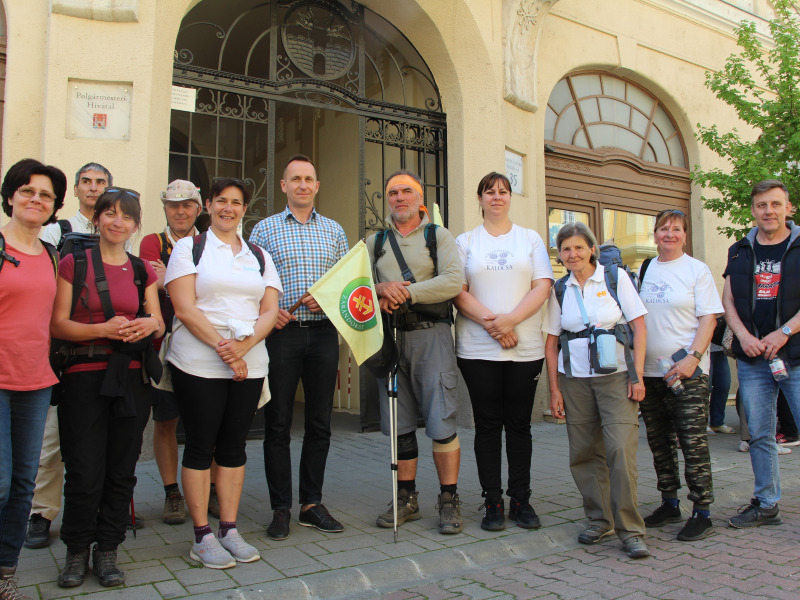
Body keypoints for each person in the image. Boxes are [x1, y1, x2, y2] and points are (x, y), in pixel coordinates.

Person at [166, 177, 281, 569]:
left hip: (250, 361)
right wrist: (226, 350)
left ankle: (229, 529)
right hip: (199, 361)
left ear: (244, 209)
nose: (228, 208)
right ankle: (202, 536)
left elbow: (269, 311)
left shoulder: (259, 255)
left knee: (234, 446)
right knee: (201, 445)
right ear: (208, 206)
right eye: (221, 201)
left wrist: (244, 349)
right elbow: (184, 308)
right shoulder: (189, 248)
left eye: (236, 203)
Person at [51, 188, 164, 588]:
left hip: (132, 380)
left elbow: (157, 321)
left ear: (136, 225)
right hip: (83, 379)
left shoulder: (141, 270)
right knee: (83, 470)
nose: (118, 221)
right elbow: (58, 324)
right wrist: (101, 329)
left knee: (121, 469)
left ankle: (109, 551)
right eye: (110, 213)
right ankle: (76, 551)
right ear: (97, 218)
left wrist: (152, 324)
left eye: (127, 217)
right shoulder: (72, 263)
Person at [250, 155, 348, 541]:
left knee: (319, 423)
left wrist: (326, 300)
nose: (303, 185)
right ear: (284, 186)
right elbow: (251, 281)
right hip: (281, 335)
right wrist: (269, 314)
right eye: (296, 179)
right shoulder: (264, 230)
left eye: (309, 178)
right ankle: (280, 508)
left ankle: (311, 504)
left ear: (317, 186)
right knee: (277, 423)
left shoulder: (335, 231)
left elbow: (346, 283)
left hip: (324, 333)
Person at [452, 172, 553, 531]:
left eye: (503, 191)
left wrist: (510, 321)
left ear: (510, 198)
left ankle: (521, 499)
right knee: (488, 426)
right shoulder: (465, 242)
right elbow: (457, 290)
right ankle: (492, 501)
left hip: (524, 349)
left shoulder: (530, 238)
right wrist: (494, 324)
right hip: (477, 349)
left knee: (519, 425)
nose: (497, 196)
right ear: (479, 199)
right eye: (489, 192)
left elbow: (542, 286)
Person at [543, 222, 649, 559]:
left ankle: (630, 529)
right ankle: (599, 519)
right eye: (565, 249)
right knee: (584, 452)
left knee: (619, 449)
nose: (572, 255)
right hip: (575, 380)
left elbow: (639, 327)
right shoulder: (560, 289)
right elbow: (550, 343)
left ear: (591, 249)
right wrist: (554, 391)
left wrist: (639, 376)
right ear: (559, 255)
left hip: (617, 376)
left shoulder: (615, 280)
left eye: (578, 248)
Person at [367, 170, 463, 535]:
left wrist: (406, 292)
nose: (399, 197)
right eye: (393, 192)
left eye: (407, 191)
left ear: (419, 198)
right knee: (399, 424)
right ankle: (406, 497)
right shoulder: (374, 242)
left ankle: (449, 499)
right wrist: (380, 287)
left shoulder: (438, 236)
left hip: (431, 335)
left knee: (441, 421)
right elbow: (357, 284)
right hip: (390, 340)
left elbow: (454, 281)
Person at [25, 162, 113, 550]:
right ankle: (41, 514)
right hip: (58, 349)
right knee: (50, 441)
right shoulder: (54, 231)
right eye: (87, 182)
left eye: (101, 183)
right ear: (76, 190)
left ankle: (105, 509)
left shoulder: (116, 230)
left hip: (104, 353)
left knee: (101, 442)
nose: (93, 188)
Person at [0, 159, 66, 599]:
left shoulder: (51, 255)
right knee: (1, 480)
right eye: (27, 190)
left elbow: (54, 322)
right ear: (9, 196)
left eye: (44, 195)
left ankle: (6, 572)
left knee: (25, 483)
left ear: (54, 206)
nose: (35, 199)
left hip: (35, 380)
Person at [637, 209, 723, 541]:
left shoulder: (696, 270)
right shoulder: (645, 268)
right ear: (654, 233)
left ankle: (702, 512)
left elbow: (709, 319)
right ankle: (669, 502)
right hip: (652, 373)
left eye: (676, 229)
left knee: (692, 442)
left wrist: (693, 358)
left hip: (687, 372)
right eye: (663, 228)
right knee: (660, 443)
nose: (669, 234)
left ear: (685, 235)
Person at [723, 179, 800, 528]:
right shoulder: (739, 249)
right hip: (753, 360)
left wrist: (783, 333)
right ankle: (767, 504)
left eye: (775, 204)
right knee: (760, 435)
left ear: (789, 208)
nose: (768, 211)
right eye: (761, 206)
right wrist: (743, 336)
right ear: (752, 211)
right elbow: (727, 300)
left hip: (795, 357)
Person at [139, 180, 202, 525]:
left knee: (204, 421)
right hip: (163, 348)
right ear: (165, 207)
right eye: (173, 205)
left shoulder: (206, 242)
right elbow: (152, 281)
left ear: (198, 207)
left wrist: (172, 279)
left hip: (203, 344)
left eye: (187, 205)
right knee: (166, 421)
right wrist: (193, 281)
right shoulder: (152, 241)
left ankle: (207, 488)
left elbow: (172, 283)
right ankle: (172, 493)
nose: (180, 211)